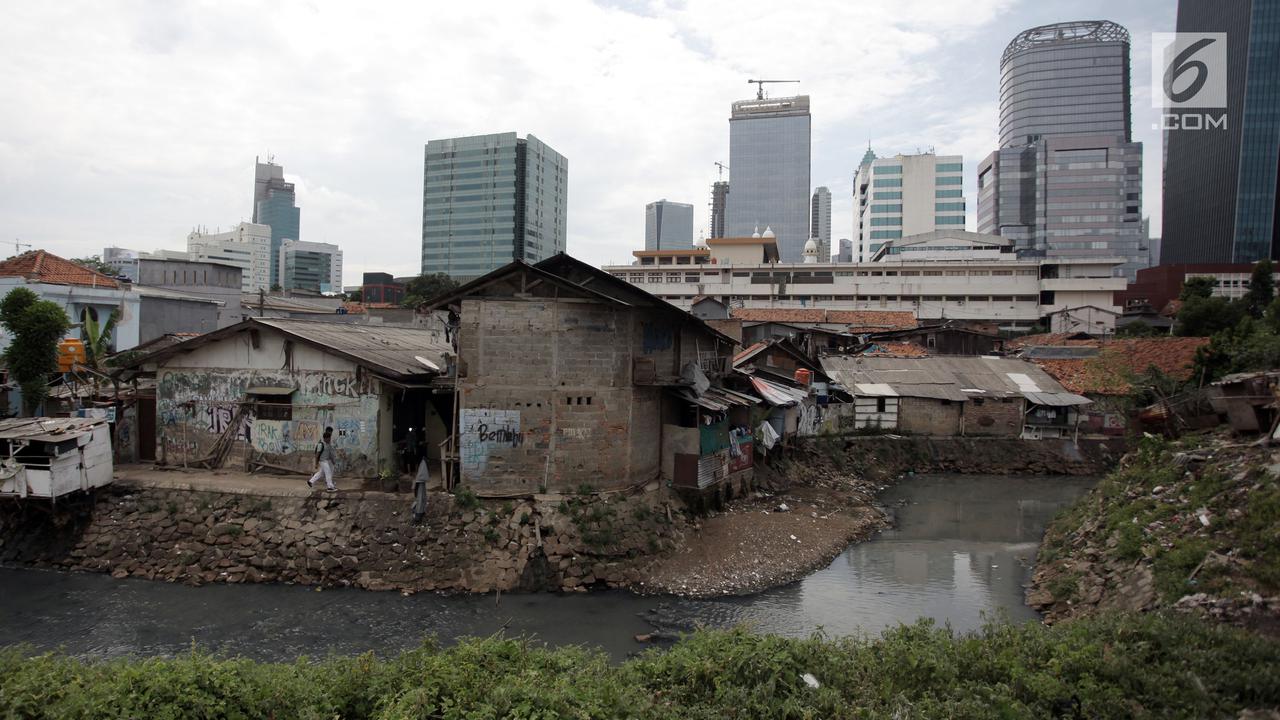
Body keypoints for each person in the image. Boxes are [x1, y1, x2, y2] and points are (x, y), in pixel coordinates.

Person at [307, 426, 338, 492]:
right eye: (329, 438)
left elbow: (330, 453)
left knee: (321, 473)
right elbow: (317, 454)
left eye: (330, 438)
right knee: (328, 472)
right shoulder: (321, 444)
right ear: (325, 438)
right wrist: (316, 463)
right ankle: (330, 487)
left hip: (327, 460)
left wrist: (333, 460)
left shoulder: (328, 444)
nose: (330, 439)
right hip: (323, 461)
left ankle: (310, 481)